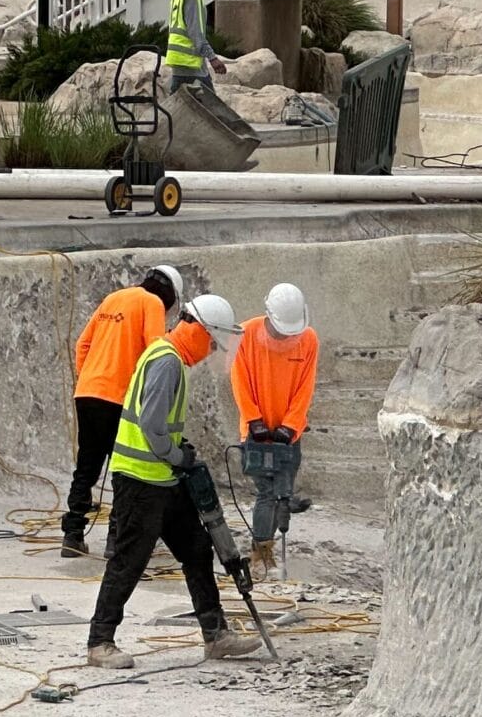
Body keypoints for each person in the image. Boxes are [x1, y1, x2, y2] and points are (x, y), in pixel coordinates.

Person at [85, 295, 264, 670]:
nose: (210, 350)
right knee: (129, 560)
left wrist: (177, 453)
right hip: (141, 478)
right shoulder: (167, 362)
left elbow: (160, 425)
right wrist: (177, 455)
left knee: (197, 549)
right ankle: (100, 642)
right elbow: (151, 426)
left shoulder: (170, 359)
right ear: (197, 330)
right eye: (212, 341)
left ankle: (215, 635)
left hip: (163, 478)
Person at [61, 265, 202, 557]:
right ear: (170, 296)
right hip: (120, 398)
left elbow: (82, 344)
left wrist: (89, 378)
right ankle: (116, 540)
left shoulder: (113, 298)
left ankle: (72, 535)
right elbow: (155, 351)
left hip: (87, 393)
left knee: (87, 467)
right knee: (123, 472)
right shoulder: (151, 303)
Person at [233, 282, 319, 569]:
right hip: (255, 432)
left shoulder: (308, 340)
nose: (288, 336)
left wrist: (291, 425)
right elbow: (240, 381)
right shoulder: (245, 334)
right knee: (266, 492)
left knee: (283, 492)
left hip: (288, 434)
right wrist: (253, 419)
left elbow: (305, 387)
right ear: (268, 315)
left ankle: (271, 542)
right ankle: (261, 554)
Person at [161, 0, 260, 170]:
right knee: (215, 111)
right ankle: (231, 158)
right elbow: (196, 35)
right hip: (191, 65)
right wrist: (214, 59)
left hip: (180, 63)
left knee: (175, 110)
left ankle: (165, 151)